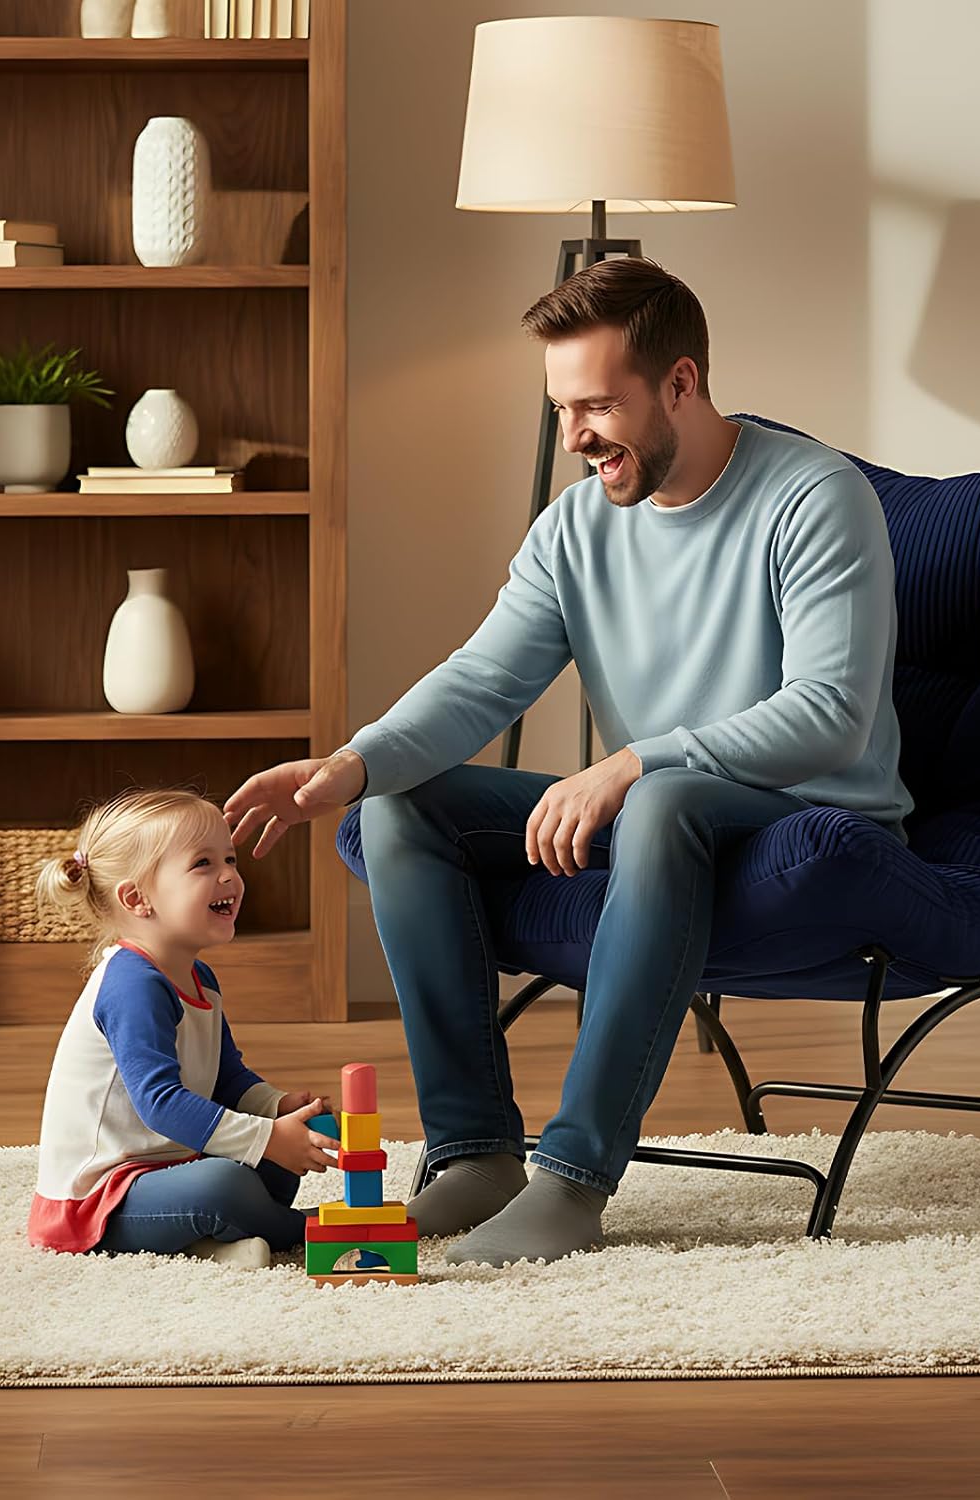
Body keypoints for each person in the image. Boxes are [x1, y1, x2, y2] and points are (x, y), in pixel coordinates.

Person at [224, 257, 913, 1268]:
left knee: (665, 799)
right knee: (403, 810)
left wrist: (633, 763)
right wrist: (353, 764)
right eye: (561, 408)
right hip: (658, 810)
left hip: (813, 815)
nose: (577, 435)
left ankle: (575, 1180)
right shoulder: (577, 527)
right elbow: (481, 682)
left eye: (599, 405)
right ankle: (476, 1156)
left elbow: (832, 716)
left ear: (681, 382)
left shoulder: (813, 496)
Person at [28, 787, 338, 1269]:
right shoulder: (133, 984)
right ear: (137, 898)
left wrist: (276, 1107)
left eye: (231, 859)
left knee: (275, 1162)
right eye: (204, 864)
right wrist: (265, 1137)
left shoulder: (199, 978)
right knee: (227, 1185)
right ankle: (308, 1230)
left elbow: (226, 1077)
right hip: (101, 1200)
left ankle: (212, 1245)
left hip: (171, 1166)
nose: (230, 876)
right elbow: (161, 1104)